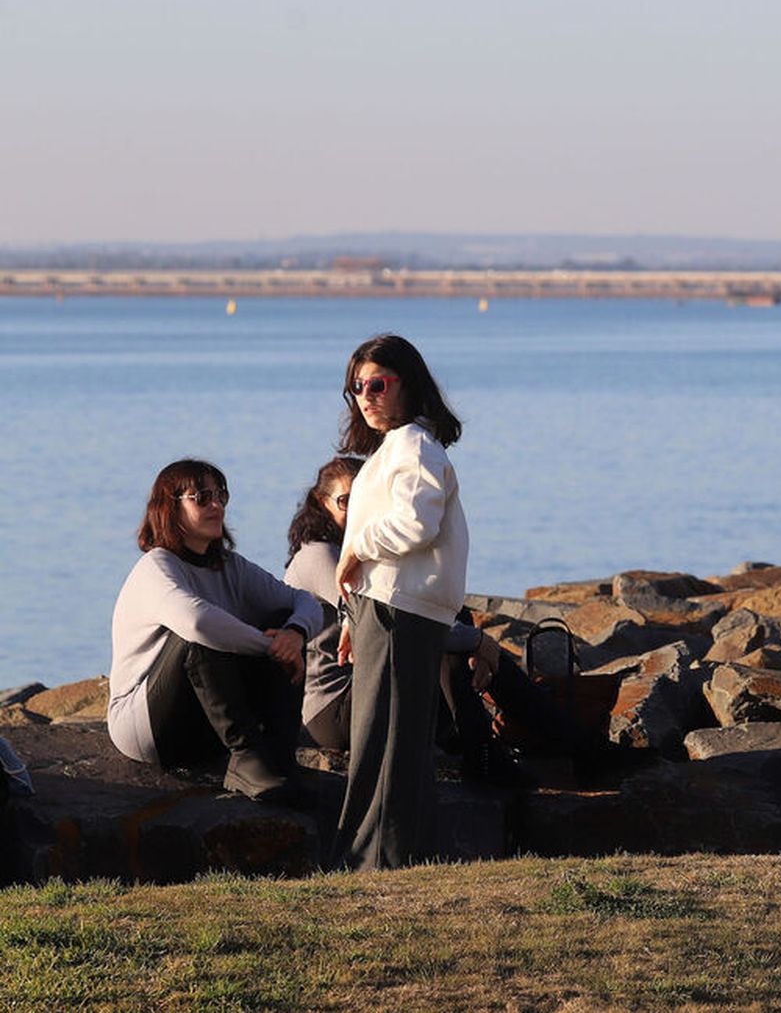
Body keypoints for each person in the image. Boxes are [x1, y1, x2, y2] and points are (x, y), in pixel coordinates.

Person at [285, 454, 536, 785]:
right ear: (321, 502)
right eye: (346, 501)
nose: (358, 509)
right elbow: (391, 623)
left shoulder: (362, 550)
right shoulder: (321, 555)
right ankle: (489, 753)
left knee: (452, 615)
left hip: (373, 687)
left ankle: (525, 739)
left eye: (366, 499)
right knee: (447, 642)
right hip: (335, 710)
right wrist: (478, 641)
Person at [330, 334, 469, 870]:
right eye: (356, 388)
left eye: (377, 384)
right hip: (388, 608)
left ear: (407, 385)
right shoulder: (396, 448)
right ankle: (390, 856)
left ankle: (375, 862)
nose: (365, 396)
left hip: (401, 611)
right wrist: (356, 612)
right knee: (390, 737)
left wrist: (357, 551)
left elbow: (418, 523)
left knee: (386, 741)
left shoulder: (412, 444)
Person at [109, 460, 322, 805]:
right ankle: (247, 757)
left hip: (206, 727)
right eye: (202, 497)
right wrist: (271, 647)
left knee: (285, 618)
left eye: (220, 495)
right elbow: (196, 622)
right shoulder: (156, 568)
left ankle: (278, 758)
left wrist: (295, 634)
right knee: (199, 639)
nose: (216, 505)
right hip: (148, 728)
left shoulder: (229, 566)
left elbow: (305, 601)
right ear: (170, 509)